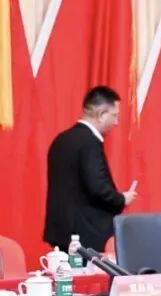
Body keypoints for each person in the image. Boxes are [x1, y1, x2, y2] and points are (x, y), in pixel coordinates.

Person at [43, 86, 137, 252]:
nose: (116, 123)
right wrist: (121, 199)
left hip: (61, 232)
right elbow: (97, 187)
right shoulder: (90, 142)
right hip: (86, 236)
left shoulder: (61, 140)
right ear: (101, 115)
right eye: (115, 116)